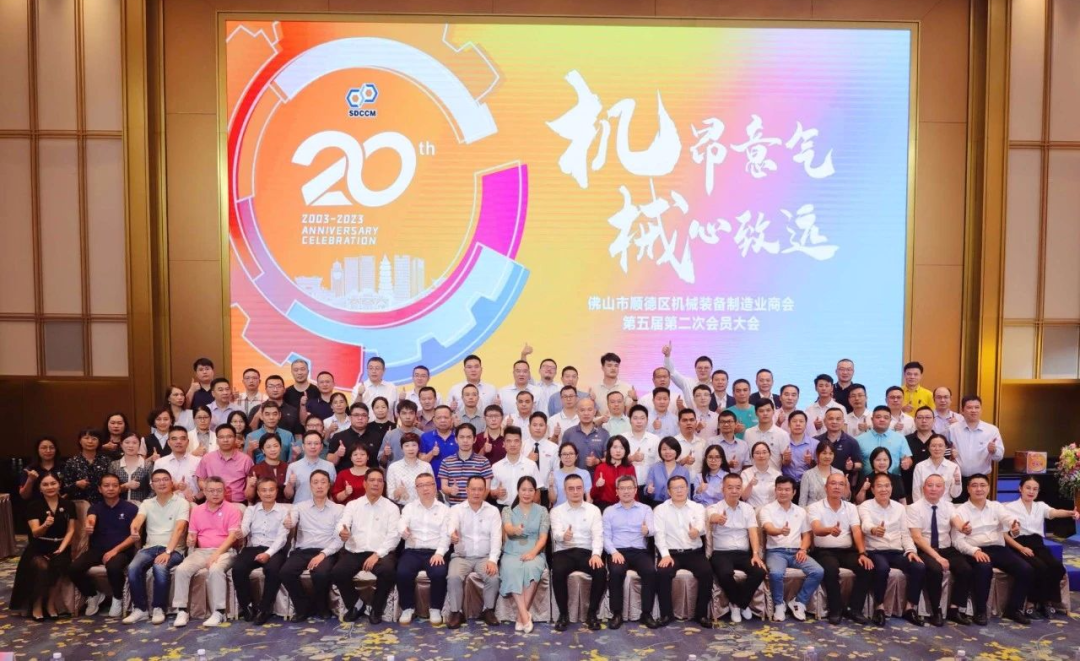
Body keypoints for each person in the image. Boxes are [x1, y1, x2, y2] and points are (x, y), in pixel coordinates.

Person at [953, 474, 1032, 624]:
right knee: (984, 568)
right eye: (974, 485)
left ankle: (1014, 609)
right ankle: (980, 611)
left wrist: (1014, 526)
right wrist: (974, 551)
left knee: (1026, 569)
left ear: (988, 488)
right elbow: (957, 541)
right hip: (975, 549)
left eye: (983, 485)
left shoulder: (996, 506)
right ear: (968, 489)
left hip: (998, 548)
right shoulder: (960, 511)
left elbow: (1008, 519)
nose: (979, 489)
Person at [906, 474, 983, 626]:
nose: (933, 489)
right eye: (930, 485)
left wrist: (963, 528)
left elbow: (957, 521)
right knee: (935, 570)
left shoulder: (948, 506)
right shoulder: (914, 508)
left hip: (946, 548)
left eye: (938, 486)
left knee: (966, 569)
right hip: (925, 549)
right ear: (923, 488)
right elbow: (917, 538)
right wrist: (937, 557)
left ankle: (954, 609)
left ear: (944, 489)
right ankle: (936, 611)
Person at [170, 476, 241, 627]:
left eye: (219, 490)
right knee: (181, 569)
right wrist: (190, 540)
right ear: (205, 492)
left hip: (225, 551)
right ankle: (182, 610)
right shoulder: (197, 510)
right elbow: (192, 535)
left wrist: (216, 554)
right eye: (211, 491)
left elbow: (232, 537)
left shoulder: (232, 510)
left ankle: (219, 612)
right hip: (201, 551)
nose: (215, 494)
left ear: (224, 492)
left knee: (215, 569)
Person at [332, 467, 400, 624]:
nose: (376, 484)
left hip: (381, 552)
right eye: (372, 480)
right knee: (338, 572)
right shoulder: (353, 505)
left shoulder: (391, 508)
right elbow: (343, 523)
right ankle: (356, 605)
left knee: (387, 571)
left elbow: (394, 536)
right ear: (364, 484)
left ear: (383, 485)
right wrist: (342, 531)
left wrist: (377, 554)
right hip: (355, 551)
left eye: (379, 481)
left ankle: (377, 608)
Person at [1004, 476, 1077, 619]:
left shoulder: (1040, 506)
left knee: (1057, 567)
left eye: (1035, 489)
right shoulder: (1009, 507)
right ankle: (1031, 604)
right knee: (1039, 567)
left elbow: (1055, 512)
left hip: (1037, 543)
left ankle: (1046, 601)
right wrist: (1021, 548)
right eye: (1028, 488)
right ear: (1020, 489)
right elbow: (1005, 534)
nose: (1031, 491)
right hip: (1019, 543)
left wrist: (1070, 513)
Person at [123, 469, 189, 625]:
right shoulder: (147, 503)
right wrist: (134, 527)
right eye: (157, 480)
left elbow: (179, 529)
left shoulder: (181, 502)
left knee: (159, 567)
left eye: (165, 479)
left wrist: (168, 552)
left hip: (174, 549)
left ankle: (159, 608)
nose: (162, 483)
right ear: (152, 485)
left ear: (172, 483)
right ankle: (140, 609)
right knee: (133, 567)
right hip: (150, 547)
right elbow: (139, 519)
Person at [858, 473, 925, 627]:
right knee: (882, 568)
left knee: (919, 567)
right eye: (879, 486)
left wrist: (911, 551)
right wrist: (874, 529)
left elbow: (905, 534)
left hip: (896, 551)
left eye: (887, 486)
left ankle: (910, 608)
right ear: (873, 489)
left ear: (892, 488)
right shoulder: (866, 506)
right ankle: (879, 607)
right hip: (875, 550)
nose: (884, 489)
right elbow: (865, 524)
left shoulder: (900, 508)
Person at [68, 473, 139, 618]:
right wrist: (89, 525)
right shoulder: (95, 508)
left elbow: (134, 537)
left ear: (120, 488)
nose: (110, 488)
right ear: (100, 489)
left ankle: (117, 598)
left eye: (114, 485)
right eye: (106, 486)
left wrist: (115, 551)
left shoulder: (131, 508)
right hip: (97, 549)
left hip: (122, 550)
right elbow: (91, 519)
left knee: (113, 566)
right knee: (74, 568)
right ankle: (93, 595)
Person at [807, 473, 873, 625]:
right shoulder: (815, 507)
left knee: (866, 567)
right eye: (833, 483)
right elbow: (816, 529)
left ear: (845, 488)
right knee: (830, 569)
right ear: (826, 487)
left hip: (846, 550)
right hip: (823, 550)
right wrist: (829, 530)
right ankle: (835, 609)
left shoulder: (851, 508)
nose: (837, 487)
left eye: (841, 484)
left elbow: (856, 531)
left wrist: (862, 553)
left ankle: (854, 609)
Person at [279, 470, 344, 621]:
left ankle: (322, 607)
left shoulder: (339, 509)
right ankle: (303, 608)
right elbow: (292, 520)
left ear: (329, 485)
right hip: (303, 550)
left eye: (323, 482)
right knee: (286, 572)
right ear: (310, 486)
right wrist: (289, 523)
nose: (319, 486)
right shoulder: (299, 507)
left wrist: (323, 554)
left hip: (327, 551)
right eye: (315, 482)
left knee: (321, 574)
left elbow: (339, 539)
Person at [10, 473, 75, 620]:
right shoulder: (34, 505)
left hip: (60, 545)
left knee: (61, 566)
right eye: (45, 484)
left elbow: (71, 530)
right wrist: (45, 525)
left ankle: (50, 604)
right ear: (39, 488)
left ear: (59, 484)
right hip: (39, 546)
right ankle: (37, 605)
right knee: (43, 568)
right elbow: (35, 533)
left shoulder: (68, 505)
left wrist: (63, 547)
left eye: (53, 483)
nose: (50, 487)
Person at [759, 476, 823, 622]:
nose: (783, 492)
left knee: (818, 571)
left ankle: (799, 602)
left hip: (796, 552)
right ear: (775, 490)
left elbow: (807, 535)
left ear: (794, 492)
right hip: (776, 552)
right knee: (776, 574)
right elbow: (768, 528)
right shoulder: (767, 509)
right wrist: (780, 531)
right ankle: (779, 605)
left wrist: (803, 549)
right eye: (780, 489)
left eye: (787, 490)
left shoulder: (801, 511)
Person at [654, 474, 714, 629]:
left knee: (707, 572)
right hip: (671, 553)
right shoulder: (660, 510)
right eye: (675, 488)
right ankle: (666, 614)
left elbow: (701, 525)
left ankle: (701, 614)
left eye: (682, 487)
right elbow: (659, 535)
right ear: (669, 491)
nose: (679, 491)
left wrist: (697, 531)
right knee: (662, 573)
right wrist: (665, 555)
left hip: (694, 552)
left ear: (687, 489)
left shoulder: (697, 507)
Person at [707, 473, 766, 624]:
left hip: (743, 553)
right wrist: (718, 519)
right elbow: (711, 517)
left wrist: (755, 554)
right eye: (730, 487)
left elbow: (753, 533)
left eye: (738, 487)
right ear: (723, 489)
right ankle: (739, 603)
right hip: (721, 553)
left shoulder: (748, 509)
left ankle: (739, 604)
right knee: (725, 573)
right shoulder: (715, 507)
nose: (734, 491)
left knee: (759, 571)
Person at [602, 475, 659, 629]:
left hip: (639, 551)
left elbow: (653, 530)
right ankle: (617, 613)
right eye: (622, 488)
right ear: (617, 491)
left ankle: (646, 613)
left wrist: (647, 531)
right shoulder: (609, 511)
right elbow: (605, 537)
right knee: (615, 572)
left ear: (635, 490)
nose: (626, 491)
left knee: (650, 572)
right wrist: (613, 552)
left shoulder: (645, 509)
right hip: (618, 551)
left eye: (629, 488)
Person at [550, 473, 606, 631]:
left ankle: (592, 614)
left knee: (600, 570)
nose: (575, 492)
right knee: (558, 570)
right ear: (565, 491)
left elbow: (598, 535)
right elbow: (556, 533)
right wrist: (563, 536)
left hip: (586, 551)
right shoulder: (556, 511)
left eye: (579, 488)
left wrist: (596, 554)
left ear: (583, 489)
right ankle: (563, 614)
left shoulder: (593, 510)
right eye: (571, 488)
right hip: (564, 551)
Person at [446, 475, 502, 629]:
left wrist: (493, 560)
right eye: (473, 489)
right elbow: (451, 526)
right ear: (467, 490)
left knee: (493, 578)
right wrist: (452, 534)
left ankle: (488, 610)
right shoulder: (456, 509)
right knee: (453, 577)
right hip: (461, 557)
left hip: (484, 557)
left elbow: (496, 538)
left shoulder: (493, 511)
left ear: (485, 491)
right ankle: (456, 612)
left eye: (480, 489)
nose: (476, 493)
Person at [233, 477, 290, 625]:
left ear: (276, 491)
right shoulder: (251, 510)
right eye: (264, 490)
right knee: (238, 568)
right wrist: (240, 533)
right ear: (258, 492)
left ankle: (264, 609)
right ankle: (247, 606)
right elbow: (245, 528)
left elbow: (282, 538)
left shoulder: (284, 511)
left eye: (271, 490)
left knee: (272, 570)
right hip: (253, 547)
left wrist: (268, 554)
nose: (268, 493)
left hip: (275, 549)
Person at [396, 472, 450, 626]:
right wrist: (404, 530)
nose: (425, 488)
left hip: (435, 551)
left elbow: (446, 535)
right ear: (416, 489)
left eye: (428, 484)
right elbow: (401, 523)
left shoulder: (445, 510)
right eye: (421, 485)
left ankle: (435, 608)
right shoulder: (409, 508)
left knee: (439, 573)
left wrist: (439, 553)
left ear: (434, 487)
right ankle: (407, 608)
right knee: (402, 572)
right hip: (413, 550)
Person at [500, 476, 550, 633]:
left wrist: (533, 553)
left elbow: (543, 537)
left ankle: (520, 617)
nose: (527, 493)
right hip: (512, 550)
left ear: (535, 492)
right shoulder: (508, 510)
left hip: (534, 550)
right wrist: (516, 530)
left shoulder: (542, 511)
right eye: (523, 490)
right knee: (512, 568)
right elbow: (508, 528)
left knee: (531, 568)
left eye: (530, 490)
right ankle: (524, 615)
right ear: (518, 491)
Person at [949, 396, 1004, 499]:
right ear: (962, 410)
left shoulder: (992, 430)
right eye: (969, 407)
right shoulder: (952, 429)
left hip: (980, 481)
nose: (973, 410)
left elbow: (999, 457)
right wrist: (950, 455)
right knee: (957, 507)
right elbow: (945, 452)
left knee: (979, 507)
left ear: (981, 409)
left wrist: (994, 450)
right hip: (957, 479)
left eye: (977, 407)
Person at [195, 424, 254, 506]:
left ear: (235, 439)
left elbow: (250, 484)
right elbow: (201, 480)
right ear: (217, 440)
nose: (225, 440)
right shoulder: (207, 458)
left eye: (229, 437)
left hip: (237, 503)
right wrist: (211, 489)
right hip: (213, 502)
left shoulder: (246, 460)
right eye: (221, 437)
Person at [438, 422, 493, 506]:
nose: (465, 440)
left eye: (469, 437)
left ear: (474, 439)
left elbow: (487, 488)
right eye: (461, 437)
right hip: (454, 508)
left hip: (476, 508)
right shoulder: (446, 462)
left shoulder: (483, 461)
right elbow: (444, 487)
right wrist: (450, 490)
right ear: (456, 439)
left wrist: (476, 505)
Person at [904, 406, 952, 496]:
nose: (924, 420)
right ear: (914, 420)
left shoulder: (941, 440)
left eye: (928, 417)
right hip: (910, 489)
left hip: (936, 491)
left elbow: (947, 462)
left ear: (934, 420)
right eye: (920, 417)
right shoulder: (905, 440)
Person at [856, 406, 913, 477]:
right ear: (872, 419)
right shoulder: (859, 439)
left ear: (890, 420)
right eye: (878, 417)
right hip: (867, 480)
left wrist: (907, 463)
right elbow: (856, 462)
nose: (882, 420)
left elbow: (908, 458)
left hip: (893, 480)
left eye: (886, 418)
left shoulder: (900, 438)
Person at [491, 426, 540, 509]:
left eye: (516, 441)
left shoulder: (531, 465)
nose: (512, 444)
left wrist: (531, 511)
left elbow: (537, 491)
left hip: (526, 509)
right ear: (504, 444)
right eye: (509, 441)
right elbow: (492, 492)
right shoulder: (496, 466)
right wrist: (496, 493)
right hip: (503, 508)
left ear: (521, 443)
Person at [815, 407, 864, 489]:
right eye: (831, 419)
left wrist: (852, 466)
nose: (834, 422)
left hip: (842, 486)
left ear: (843, 421)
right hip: (819, 485)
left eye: (838, 419)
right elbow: (813, 462)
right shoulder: (816, 441)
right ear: (825, 421)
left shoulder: (852, 442)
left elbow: (860, 465)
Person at [284, 431, 338, 504]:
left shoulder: (329, 466)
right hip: (300, 508)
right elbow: (288, 496)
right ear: (303, 446)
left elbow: (332, 492)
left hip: (323, 507)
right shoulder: (293, 466)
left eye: (316, 443)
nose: (313, 447)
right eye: (309, 443)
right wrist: (290, 483)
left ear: (321, 446)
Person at [62, 428, 112, 503]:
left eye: (94, 439)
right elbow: (65, 488)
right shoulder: (71, 462)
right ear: (80, 441)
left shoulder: (106, 460)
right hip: (79, 503)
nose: (90, 441)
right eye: (86, 438)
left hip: (103, 503)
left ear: (99, 442)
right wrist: (76, 484)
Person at [154, 426, 202, 502]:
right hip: (167, 504)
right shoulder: (160, 463)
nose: (178, 441)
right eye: (174, 439)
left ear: (188, 442)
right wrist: (173, 486)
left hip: (193, 504)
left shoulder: (198, 461)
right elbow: (154, 486)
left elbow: (206, 487)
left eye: (182, 438)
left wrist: (194, 499)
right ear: (168, 442)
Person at [328, 403, 380, 471]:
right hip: (345, 476)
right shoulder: (338, 436)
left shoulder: (377, 436)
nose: (360, 418)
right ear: (350, 418)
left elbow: (381, 462)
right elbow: (330, 463)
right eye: (356, 415)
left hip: (370, 476)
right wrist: (337, 454)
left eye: (364, 415)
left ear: (368, 418)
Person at [385, 433, 434, 505]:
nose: (411, 449)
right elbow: (390, 494)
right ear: (402, 448)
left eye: (414, 445)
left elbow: (433, 489)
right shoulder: (393, 467)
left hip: (423, 506)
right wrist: (397, 492)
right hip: (401, 507)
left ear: (418, 447)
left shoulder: (426, 466)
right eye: (407, 446)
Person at [911, 434, 962, 502]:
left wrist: (957, 482)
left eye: (940, 446)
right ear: (928, 447)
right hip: (924, 505)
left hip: (945, 505)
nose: (937, 449)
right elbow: (916, 492)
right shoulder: (920, 467)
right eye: (933, 446)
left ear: (946, 447)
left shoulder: (953, 467)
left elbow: (955, 495)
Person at [590, 435, 636, 510]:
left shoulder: (630, 468)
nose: (618, 451)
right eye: (615, 447)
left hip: (625, 506)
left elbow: (634, 492)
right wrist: (597, 486)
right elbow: (593, 495)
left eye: (622, 448)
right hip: (605, 506)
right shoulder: (600, 468)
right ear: (609, 449)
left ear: (626, 451)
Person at [564, 397, 609, 470]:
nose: (586, 413)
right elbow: (562, 457)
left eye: (589, 410)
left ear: (594, 412)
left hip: (598, 475)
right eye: (582, 410)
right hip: (574, 476)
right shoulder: (568, 433)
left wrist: (597, 461)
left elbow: (610, 459)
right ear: (577, 412)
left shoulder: (604, 433)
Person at [661, 341, 713, 405]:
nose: (703, 370)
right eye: (700, 368)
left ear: (711, 369)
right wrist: (667, 356)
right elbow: (671, 372)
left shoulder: (717, 384)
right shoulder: (687, 383)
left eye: (706, 368)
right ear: (695, 369)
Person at [745, 400, 790, 472]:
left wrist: (787, 459)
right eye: (761, 411)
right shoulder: (748, 433)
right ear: (756, 413)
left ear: (773, 411)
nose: (765, 413)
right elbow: (747, 459)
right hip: (753, 475)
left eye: (768, 410)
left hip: (775, 476)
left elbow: (786, 463)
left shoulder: (782, 434)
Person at [525, 412, 559, 507]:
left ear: (546, 427)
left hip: (546, 492)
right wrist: (528, 460)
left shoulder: (554, 448)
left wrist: (552, 491)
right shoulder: (522, 446)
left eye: (541, 425)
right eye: (534, 425)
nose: (538, 428)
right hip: (525, 491)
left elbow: (557, 471)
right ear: (529, 427)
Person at [644, 437, 691, 505]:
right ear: (660, 451)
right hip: (657, 505)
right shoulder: (654, 468)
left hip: (678, 504)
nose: (667, 452)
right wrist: (649, 490)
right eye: (664, 449)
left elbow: (687, 493)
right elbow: (647, 488)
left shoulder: (684, 471)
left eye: (671, 449)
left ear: (677, 451)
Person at [799, 441, 846, 508]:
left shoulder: (839, 473)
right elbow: (802, 502)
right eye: (824, 453)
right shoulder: (807, 475)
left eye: (830, 453)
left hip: (834, 510)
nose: (827, 456)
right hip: (813, 511)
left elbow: (844, 499)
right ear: (817, 454)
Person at [419, 406, 457, 487]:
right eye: (439, 418)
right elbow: (420, 463)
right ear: (434, 420)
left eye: (446, 417)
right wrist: (432, 453)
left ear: (451, 419)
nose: (442, 420)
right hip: (432, 484)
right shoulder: (425, 437)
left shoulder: (459, 437)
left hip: (455, 484)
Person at [625, 405, 660, 493]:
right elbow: (616, 462)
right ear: (630, 420)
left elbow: (659, 464)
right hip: (627, 487)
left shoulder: (655, 439)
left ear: (647, 420)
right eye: (635, 418)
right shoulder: (622, 439)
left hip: (649, 487)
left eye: (642, 418)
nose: (639, 421)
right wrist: (631, 458)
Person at [590, 352, 636, 416]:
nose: (613, 368)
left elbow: (629, 414)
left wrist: (635, 400)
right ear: (602, 368)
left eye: (616, 366)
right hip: (599, 422)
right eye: (609, 365)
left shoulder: (627, 388)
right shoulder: (594, 388)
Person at [246, 433, 288, 503]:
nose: (273, 449)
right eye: (268, 447)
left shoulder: (288, 467)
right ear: (263, 450)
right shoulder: (256, 469)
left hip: (284, 506)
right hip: (262, 506)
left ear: (280, 448)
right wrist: (251, 485)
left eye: (275, 446)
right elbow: (249, 497)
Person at [19, 436, 63, 501]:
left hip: (60, 504)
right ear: (37, 450)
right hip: (36, 505)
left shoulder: (63, 467)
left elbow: (69, 488)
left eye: (51, 447)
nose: (48, 450)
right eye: (44, 448)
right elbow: (24, 496)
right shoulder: (30, 469)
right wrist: (30, 479)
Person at [111, 435, 153, 502]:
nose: (130, 446)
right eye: (127, 442)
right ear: (121, 444)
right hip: (118, 505)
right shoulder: (114, 465)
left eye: (134, 443)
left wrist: (145, 504)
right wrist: (125, 486)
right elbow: (109, 489)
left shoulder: (148, 465)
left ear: (139, 445)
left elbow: (153, 490)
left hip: (142, 506)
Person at [379, 400, 421, 466]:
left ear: (416, 415)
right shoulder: (390, 435)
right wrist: (385, 454)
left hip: (416, 471)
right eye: (404, 413)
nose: (408, 417)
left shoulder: (422, 435)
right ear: (398, 415)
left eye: (411, 413)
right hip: (394, 472)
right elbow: (381, 462)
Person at [740, 441, 781, 508]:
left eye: (764, 452)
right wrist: (750, 485)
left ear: (769, 454)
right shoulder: (745, 473)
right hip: (752, 510)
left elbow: (780, 497)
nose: (761, 456)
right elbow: (743, 497)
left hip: (771, 511)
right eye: (757, 453)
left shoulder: (777, 474)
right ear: (752, 456)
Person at [550, 442, 592, 507]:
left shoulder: (584, 474)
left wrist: (586, 510)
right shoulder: (554, 475)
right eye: (564, 454)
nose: (568, 457)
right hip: (559, 511)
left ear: (576, 456)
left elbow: (589, 498)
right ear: (560, 457)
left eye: (571, 453)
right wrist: (551, 486)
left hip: (579, 510)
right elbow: (552, 500)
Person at [783, 411, 818, 489]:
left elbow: (820, 468)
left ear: (806, 424)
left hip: (808, 484)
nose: (798, 424)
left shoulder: (815, 444)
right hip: (786, 484)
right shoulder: (782, 442)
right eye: (794, 421)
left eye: (801, 421)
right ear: (789, 424)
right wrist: (785, 461)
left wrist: (811, 462)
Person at [673, 408, 707, 478]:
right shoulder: (673, 443)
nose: (688, 423)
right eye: (685, 420)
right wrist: (683, 461)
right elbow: (666, 467)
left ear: (696, 422)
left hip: (699, 482)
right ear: (678, 423)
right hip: (679, 481)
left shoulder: (703, 443)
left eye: (691, 420)